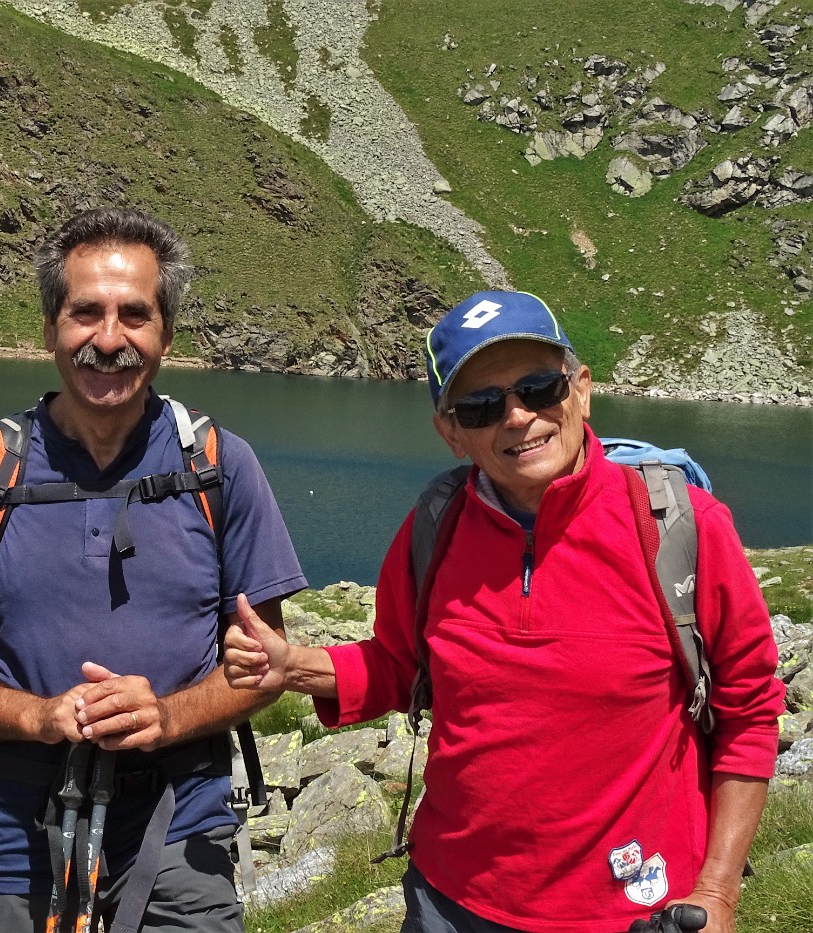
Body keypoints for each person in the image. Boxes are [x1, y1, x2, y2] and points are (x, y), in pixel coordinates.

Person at [225, 290, 785, 933]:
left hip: (635, 907)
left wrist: (716, 893)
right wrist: (292, 666)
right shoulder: (434, 529)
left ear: (580, 390)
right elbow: (396, 664)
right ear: (452, 433)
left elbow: (749, 709)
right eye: (483, 406)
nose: (518, 417)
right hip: (452, 901)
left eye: (539, 388)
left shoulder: (683, 527)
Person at [0, 207, 307, 933]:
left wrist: (166, 716)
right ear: (50, 327)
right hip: (8, 832)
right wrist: (39, 715)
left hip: (180, 825)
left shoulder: (217, 465)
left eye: (134, 316)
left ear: (166, 335)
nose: (108, 339)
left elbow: (263, 663)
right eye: (86, 313)